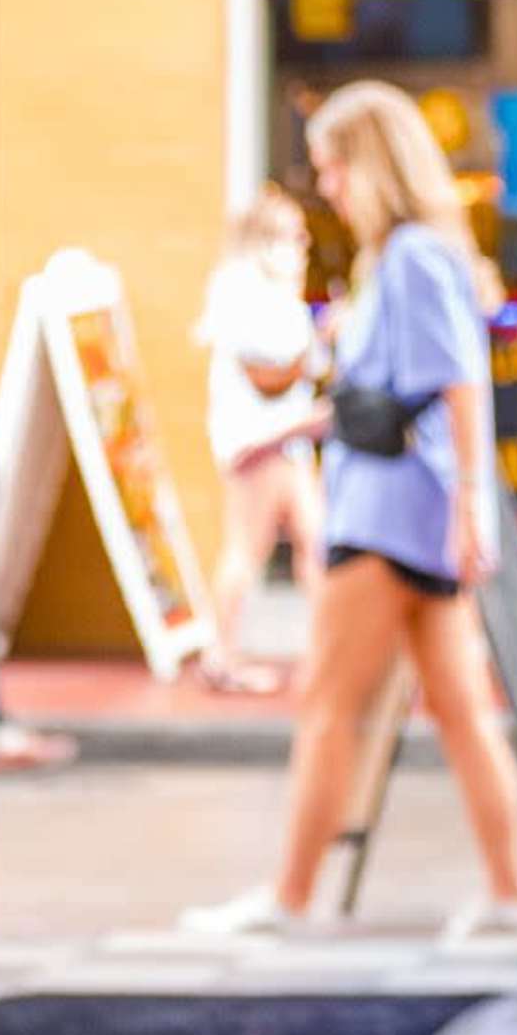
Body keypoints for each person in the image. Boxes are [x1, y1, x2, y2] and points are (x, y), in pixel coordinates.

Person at [183, 81, 517, 941]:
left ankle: (291, 900)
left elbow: (456, 384)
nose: (327, 186)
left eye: (334, 168)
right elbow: (416, 391)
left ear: (370, 166)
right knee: (461, 711)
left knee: (330, 706)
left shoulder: (411, 258)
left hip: (384, 519)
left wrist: (470, 514)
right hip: (414, 517)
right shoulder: (420, 255)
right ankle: (511, 893)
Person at [190, 188, 329, 694]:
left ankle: (325, 651)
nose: (302, 244)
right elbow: (272, 374)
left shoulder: (266, 295)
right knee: (249, 549)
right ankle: (221, 654)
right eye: (294, 234)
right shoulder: (246, 296)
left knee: (315, 545)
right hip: (264, 443)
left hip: (284, 442)